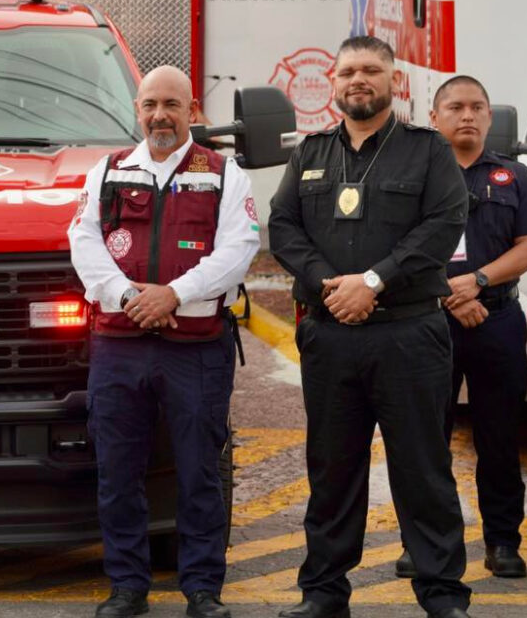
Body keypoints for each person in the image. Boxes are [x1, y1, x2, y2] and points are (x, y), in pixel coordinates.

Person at [268, 36, 473, 618]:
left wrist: (374, 282)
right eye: (348, 71)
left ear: (393, 81)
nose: (359, 79)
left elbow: (443, 223)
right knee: (331, 469)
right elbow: (283, 227)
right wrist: (334, 286)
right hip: (332, 335)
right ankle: (324, 594)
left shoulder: (426, 151)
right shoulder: (309, 153)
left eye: (372, 70)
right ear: (332, 83)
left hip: (410, 334)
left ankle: (441, 594)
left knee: (422, 469)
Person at [68, 65, 259, 618]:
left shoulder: (224, 173)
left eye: (172, 105)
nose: (160, 116)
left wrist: (172, 294)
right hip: (119, 345)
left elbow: (239, 249)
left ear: (192, 110)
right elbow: (83, 241)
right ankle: (127, 586)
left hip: (195, 347)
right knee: (119, 470)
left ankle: (202, 588)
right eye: (150, 104)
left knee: (200, 471)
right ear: (137, 109)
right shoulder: (106, 171)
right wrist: (131, 297)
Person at [389, 76, 527, 580]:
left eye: (477, 107)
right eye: (455, 107)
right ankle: (423, 545)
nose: (467, 115)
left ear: (489, 118)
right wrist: (449, 294)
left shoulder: (514, 177)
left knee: (499, 438)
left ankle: (503, 541)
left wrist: (477, 283)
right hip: (425, 320)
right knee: (424, 440)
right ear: (433, 117)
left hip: (497, 321)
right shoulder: (412, 175)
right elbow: (397, 249)